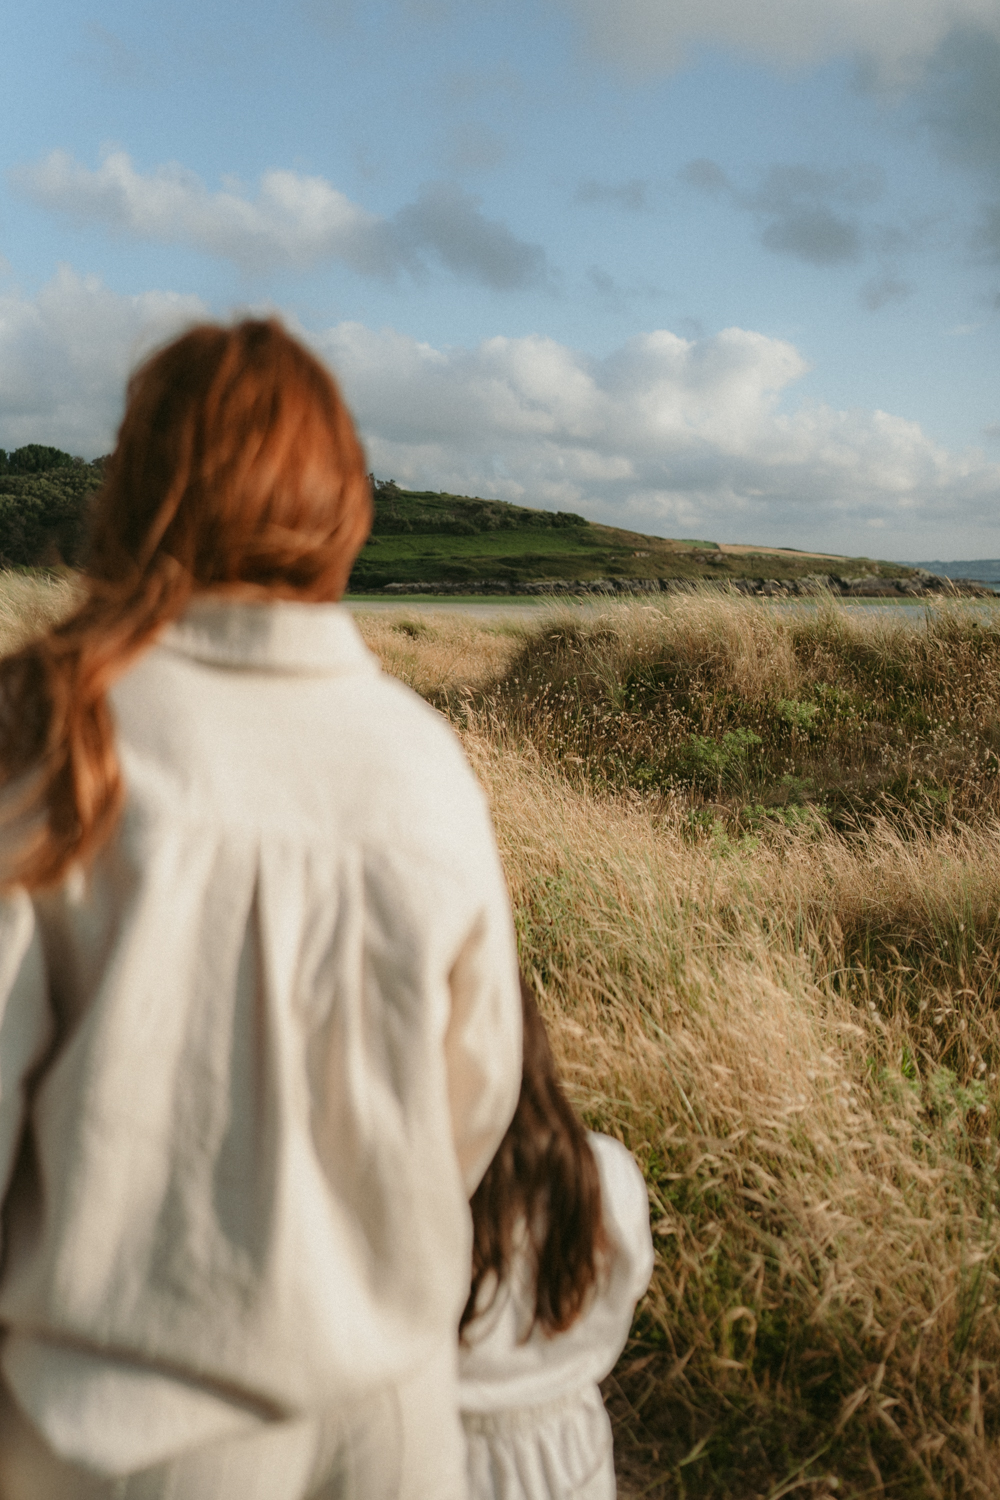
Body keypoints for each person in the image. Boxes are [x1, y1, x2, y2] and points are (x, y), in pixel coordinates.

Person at [0, 318, 522, 1499]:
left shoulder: (51, 733)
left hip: (119, 1433)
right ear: (342, 508)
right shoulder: (421, 760)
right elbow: (472, 1098)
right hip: (393, 1428)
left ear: (135, 489)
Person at [458, 980, 653, 1500]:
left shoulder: (420, 1204)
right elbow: (629, 1283)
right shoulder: (607, 1178)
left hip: (446, 1462)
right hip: (572, 1452)